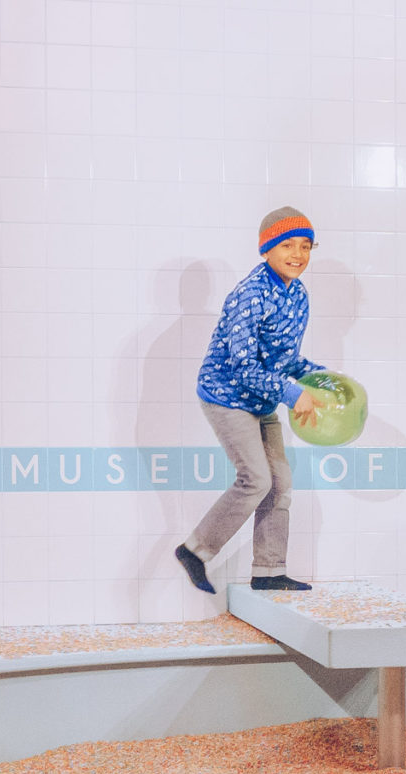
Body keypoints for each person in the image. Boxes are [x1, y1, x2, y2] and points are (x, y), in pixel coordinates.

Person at [175, 206, 325, 595]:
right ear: (266, 250)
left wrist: (319, 380)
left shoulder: (299, 294)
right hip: (226, 395)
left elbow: (285, 359)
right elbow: (243, 366)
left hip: (261, 400)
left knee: (280, 483)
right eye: (287, 245)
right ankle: (195, 550)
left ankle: (269, 570)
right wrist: (293, 394)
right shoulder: (249, 294)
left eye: (305, 246)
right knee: (255, 479)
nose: (297, 254)